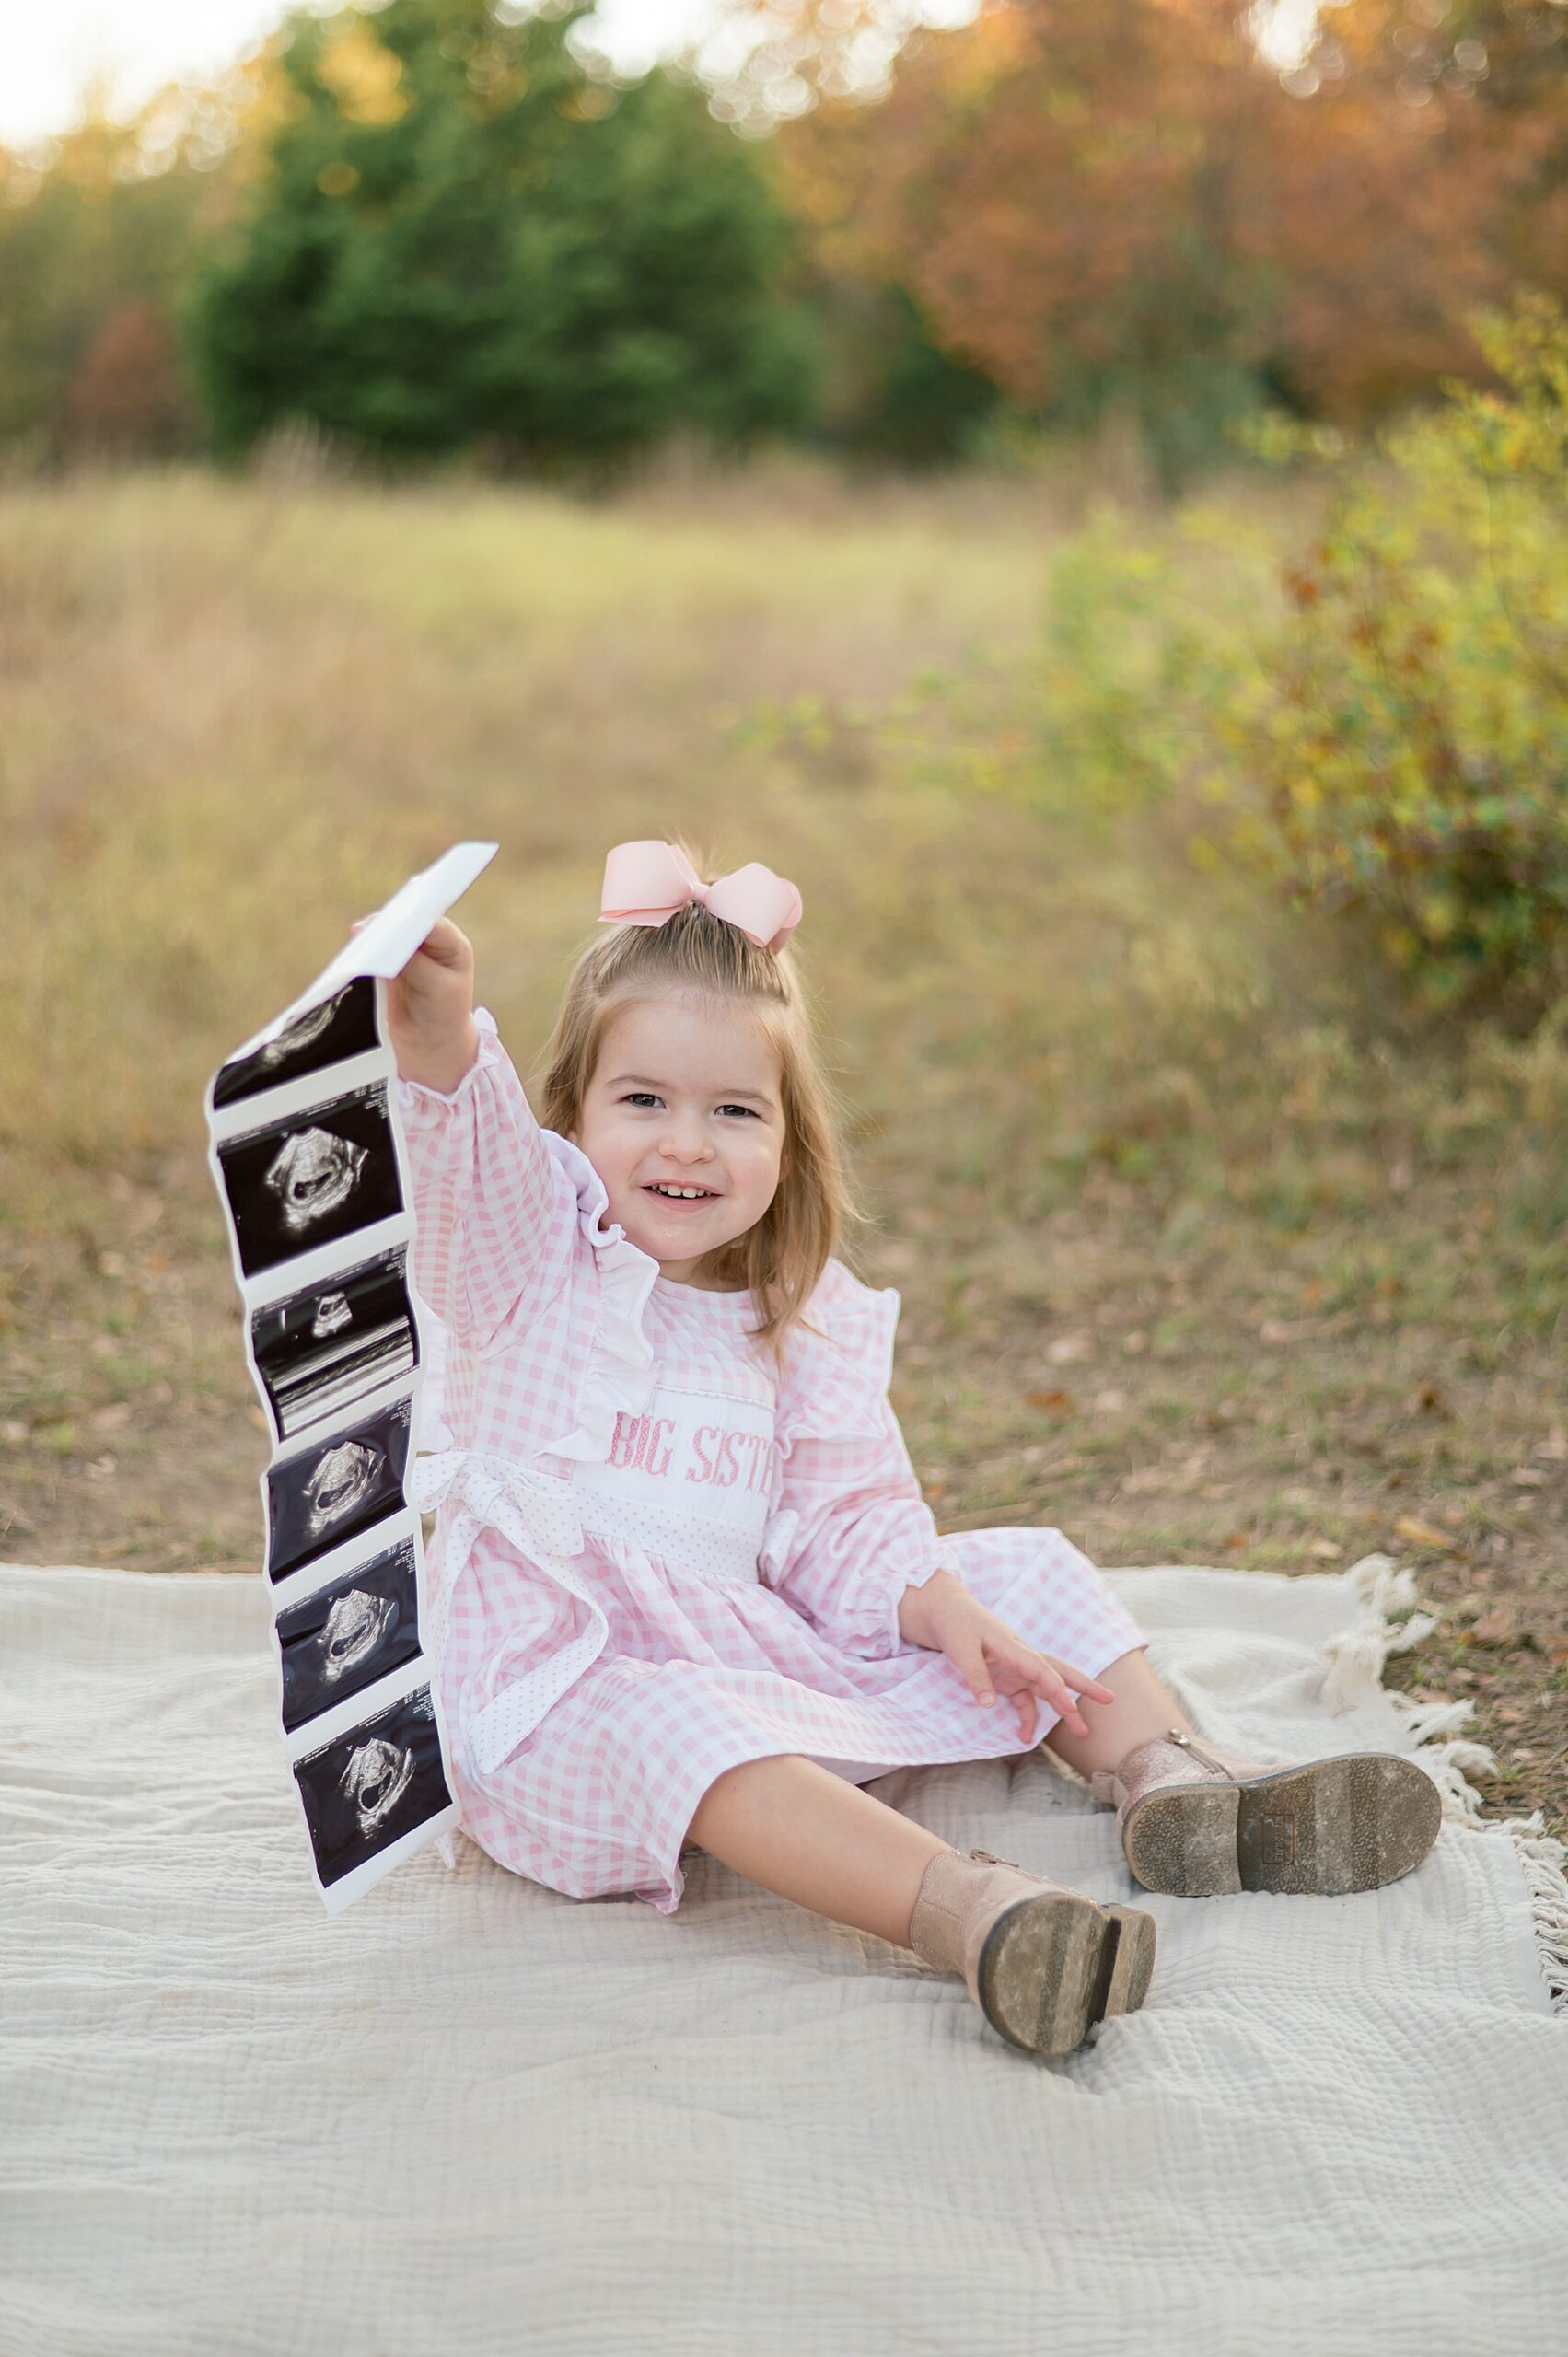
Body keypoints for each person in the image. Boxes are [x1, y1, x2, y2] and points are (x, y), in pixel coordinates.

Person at [389, 838, 1442, 2061]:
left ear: (789, 1139)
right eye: (644, 1102)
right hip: (567, 1703)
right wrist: (440, 1042)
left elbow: (844, 1516)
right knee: (685, 1724)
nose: (687, 1144)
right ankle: (975, 1913)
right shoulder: (529, 1265)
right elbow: (466, 1183)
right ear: (570, 1112)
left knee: (1011, 1571)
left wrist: (934, 1604)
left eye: (735, 1111)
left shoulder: (796, 1315)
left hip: (755, 1649)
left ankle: (1173, 1780)